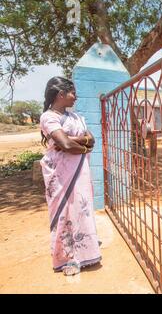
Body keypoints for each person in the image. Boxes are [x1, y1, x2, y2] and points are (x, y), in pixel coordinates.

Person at [39, 76, 102, 276]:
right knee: (64, 212)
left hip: (80, 171)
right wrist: (76, 144)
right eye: (72, 93)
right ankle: (67, 257)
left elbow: (91, 140)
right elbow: (64, 145)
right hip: (59, 175)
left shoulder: (76, 117)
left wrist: (73, 142)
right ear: (61, 94)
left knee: (81, 209)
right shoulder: (49, 117)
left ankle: (86, 253)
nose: (75, 97)